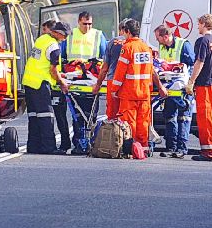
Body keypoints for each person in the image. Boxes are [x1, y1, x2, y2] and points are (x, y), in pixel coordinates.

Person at [110, 18, 168, 152]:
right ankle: (144, 148)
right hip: (144, 92)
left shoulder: (127, 48)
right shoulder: (146, 48)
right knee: (143, 122)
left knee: (130, 123)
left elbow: (120, 72)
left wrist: (114, 89)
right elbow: (151, 70)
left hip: (130, 92)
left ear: (128, 32)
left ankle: (131, 148)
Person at [61, 11, 108, 154]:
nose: (87, 27)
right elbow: (62, 56)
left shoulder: (98, 35)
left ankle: (91, 142)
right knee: (77, 115)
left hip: (92, 79)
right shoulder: (70, 35)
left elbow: (105, 56)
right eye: (84, 24)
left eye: (90, 24)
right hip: (74, 79)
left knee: (91, 114)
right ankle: (78, 143)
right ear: (79, 22)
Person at [22, 21, 71, 154]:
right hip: (40, 84)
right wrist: (62, 83)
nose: (64, 39)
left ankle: (33, 146)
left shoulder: (41, 39)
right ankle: (49, 148)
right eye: (64, 36)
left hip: (29, 81)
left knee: (34, 116)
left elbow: (40, 61)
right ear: (58, 33)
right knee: (46, 116)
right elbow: (52, 70)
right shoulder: (53, 46)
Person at [154, 25, 195, 159]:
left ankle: (181, 149)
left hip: (182, 88)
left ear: (165, 37)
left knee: (183, 118)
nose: (157, 41)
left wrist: (190, 84)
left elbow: (192, 65)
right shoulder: (162, 46)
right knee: (169, 116)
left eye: (158, 38)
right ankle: (171, 147)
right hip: (169, 88)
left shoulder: (183, 45)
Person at [186, 14, 212, 162]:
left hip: (204, 85)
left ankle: (208, 152)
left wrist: (191, 81)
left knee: (205, 118)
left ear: (203, 24)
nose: (197, 27)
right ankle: (211, 149)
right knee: (211, 118)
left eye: (199, 24)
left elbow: (199, 62)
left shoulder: (203, 41)